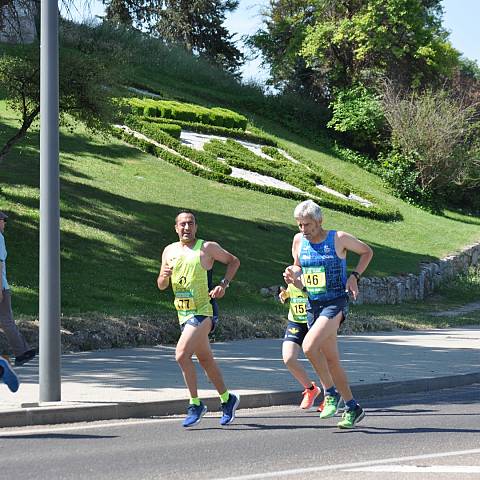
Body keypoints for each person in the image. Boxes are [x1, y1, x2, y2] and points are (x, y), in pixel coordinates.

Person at [284, 200, 373, 429]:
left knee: (309, 346)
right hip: (313, 304)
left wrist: (354, 276)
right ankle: (353, 407)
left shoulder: (338, 238)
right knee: (333, 361)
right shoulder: (298, 240)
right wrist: (293, 276)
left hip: (336, 302)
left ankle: (330, 392)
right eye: (300, 225)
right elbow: (298, 268)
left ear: (319, 221)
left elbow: (366, 252)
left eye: (308, 225)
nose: (304, 229)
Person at [157, 210, 241, 428]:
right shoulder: (169, 251)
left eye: (190, 223)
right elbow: (161, 285)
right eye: (182, 224)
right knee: (205, 360)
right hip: (183, 313)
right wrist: (164, 276)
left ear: (196, 227)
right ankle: (227, 399)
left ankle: (195, 404)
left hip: (204, 311)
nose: (186, 227)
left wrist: (223, 284)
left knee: (181, 355)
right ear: (176, 228)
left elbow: (234, 262)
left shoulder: (207, 248)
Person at [279, 284, 339, 412]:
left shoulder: (310, 273)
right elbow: (290, 291)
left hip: (315, 322)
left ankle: (329, 396)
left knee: (320, 360)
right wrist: (285, 294)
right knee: (288, 358)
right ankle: (311, 389)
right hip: (296, 323)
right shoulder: (291, 273)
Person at [0, 212, 36, 367]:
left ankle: (23, 350)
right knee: (7, 321)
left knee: (6, 321)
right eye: (3, 220)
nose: (4, 223)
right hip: (1, 286)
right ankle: (21, 352)